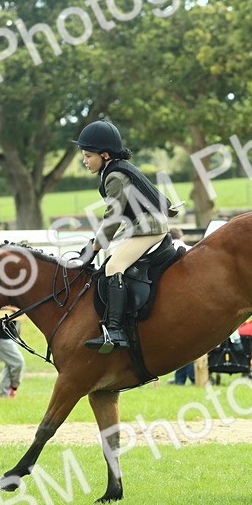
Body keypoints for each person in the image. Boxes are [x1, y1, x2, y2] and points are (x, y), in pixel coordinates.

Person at [71, 120, 174, 353]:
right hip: (143, 226)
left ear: (105, 155)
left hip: (148, 229)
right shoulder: (117, 169)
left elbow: (113, 216)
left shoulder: (114, 176)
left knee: (113, 267)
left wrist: (95, 247)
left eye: (88, 156)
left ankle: (116, 330)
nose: (85, 161)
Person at [0, 315, 25, 398]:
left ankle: (3, 395)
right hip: (0, 335)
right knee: (18, 362)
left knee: (10, 364)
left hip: (12, 333)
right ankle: (13, 388)